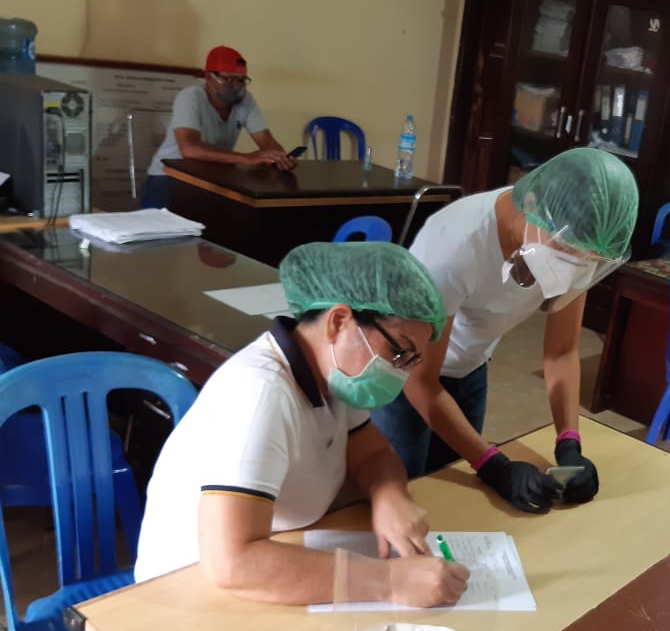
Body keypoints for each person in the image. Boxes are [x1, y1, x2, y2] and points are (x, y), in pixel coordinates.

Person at [133, 241, 470, 607]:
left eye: (411, 359)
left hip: (269, 558)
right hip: (185, 594)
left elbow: (372, 454)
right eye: (398, 351)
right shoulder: (261, 394)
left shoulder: (336, 376)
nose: (400, 371)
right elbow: (231, 563)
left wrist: (389, 495)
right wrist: (389, 582)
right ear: (339, 322)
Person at [371, 147, 638, 514]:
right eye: (564, 252)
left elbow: (561, 351)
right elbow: (420, 380)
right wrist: (493, 465)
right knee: (402, 496)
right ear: (532, 205)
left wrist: (569, 442)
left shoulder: (581, 242)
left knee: (454, 501)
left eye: (587, 260)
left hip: (470, 368)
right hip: (402, 376)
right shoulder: (455, 245)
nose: (574, 267)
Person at [141, 45, 297, 210]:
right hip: (169, 176)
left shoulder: (246, 100)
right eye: (229, 79)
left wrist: (280, 158)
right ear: (209, 78)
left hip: (211, 177)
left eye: (241, 80)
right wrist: (247, 158)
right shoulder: (190, 96)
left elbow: (267, 142)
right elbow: (189, 148)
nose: (237, 86)